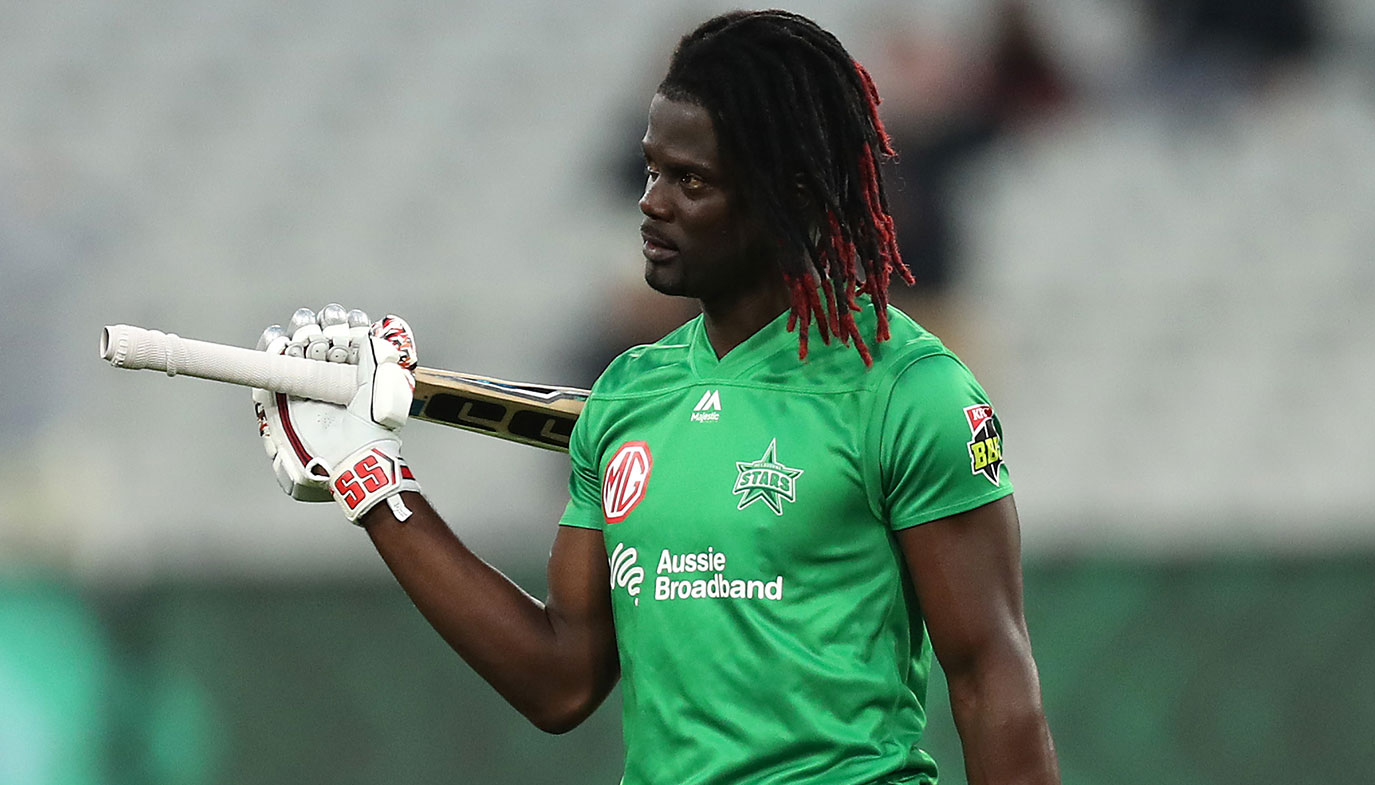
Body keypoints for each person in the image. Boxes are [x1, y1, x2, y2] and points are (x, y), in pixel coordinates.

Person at [251, 10, 1059, 785]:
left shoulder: (910, 390)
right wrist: (374, 482)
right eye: (651, 170)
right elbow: (559, 680)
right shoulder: (629, 393)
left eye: (692, 180)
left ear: (793, 195)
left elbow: (992, 681)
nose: (652, 202)